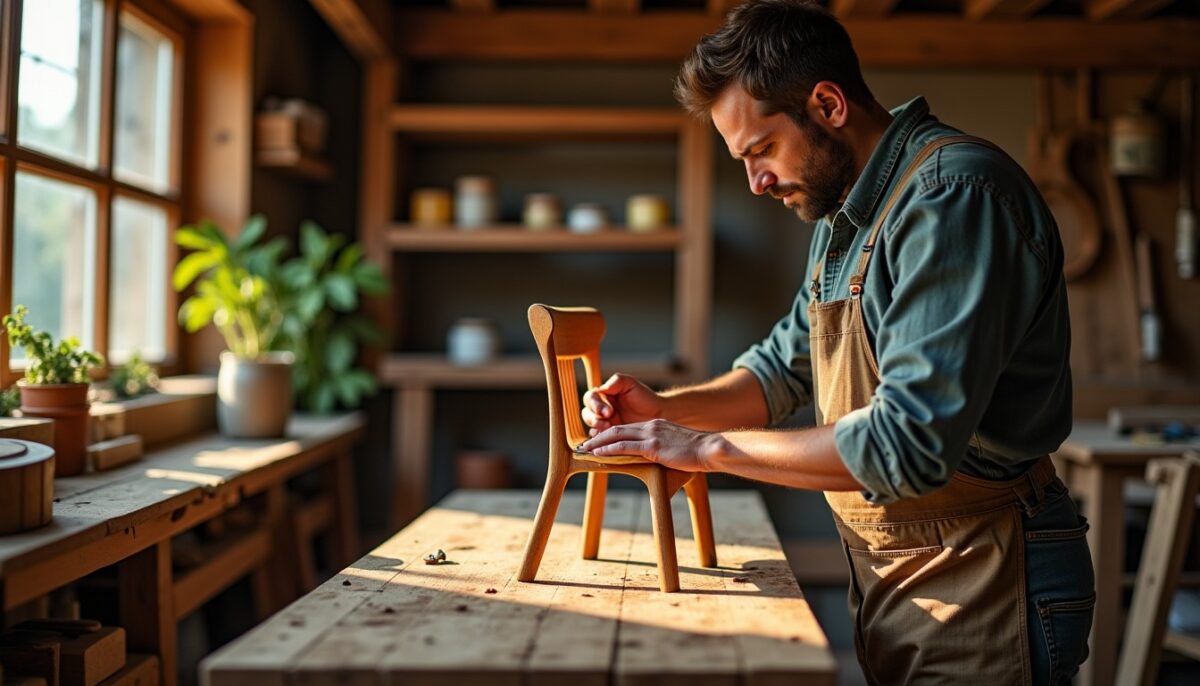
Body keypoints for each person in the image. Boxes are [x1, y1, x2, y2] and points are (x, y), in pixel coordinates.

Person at [575, 1, 1095, 684]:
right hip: (907, 573)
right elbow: (782, 370)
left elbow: (905, 445)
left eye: (760, 150)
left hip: (991, 569)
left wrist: (703, 449)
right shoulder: (845, 210)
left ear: (827, 104)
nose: (755, 182)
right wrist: (667, 409)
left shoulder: (953, 198)